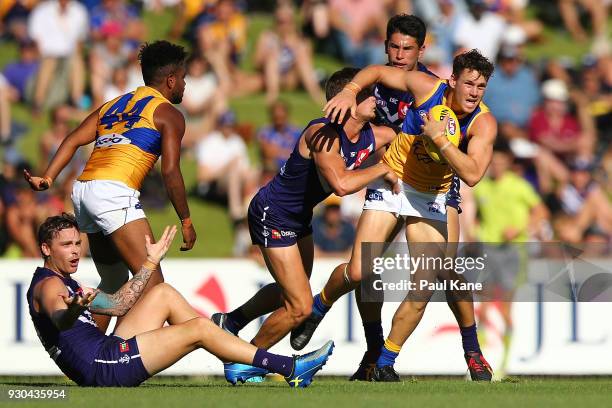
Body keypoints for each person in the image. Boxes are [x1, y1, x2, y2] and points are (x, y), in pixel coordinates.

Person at [319, 48, 497, 381]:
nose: (474, 92)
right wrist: (348, 91)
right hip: (395, 178)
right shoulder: (426, 87)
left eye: (481, 86)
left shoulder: (483, 122)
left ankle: (445, 353)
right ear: (452, 81)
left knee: (437, 276)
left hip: (434, 193)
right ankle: (324, 312)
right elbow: (375, 71)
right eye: (469, 84)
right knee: (360, 271)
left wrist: (441, 141)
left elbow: (472, 175)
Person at [214, 67, 400, 382]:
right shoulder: (322, 134)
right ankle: (245, 360)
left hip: (298, 218)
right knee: (300, 307)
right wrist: (384, 167)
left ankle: (230, 321)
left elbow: (407, 136)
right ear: (348, 100)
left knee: (294, 291)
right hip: (272, 213)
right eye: (370, 93)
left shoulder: (375, 134)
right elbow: (340, 185)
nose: (377, 99)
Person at [27, 213, 333, 387]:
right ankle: (289, 368)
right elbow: (59, 318)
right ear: (45, 249)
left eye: (77, 244)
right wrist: (73, 312)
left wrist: (148, 264)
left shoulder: (66, 281)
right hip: (102, 367)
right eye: (66, 245)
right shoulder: (49, 287)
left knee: (163, 293)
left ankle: (237, 361)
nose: (75, 251)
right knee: (199, 329)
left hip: (104, 353)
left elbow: (119, 305)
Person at [24, 41, 197, 332]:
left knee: (115, 281)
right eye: (182, 78)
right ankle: (116, 357)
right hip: (114, 193)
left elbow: (73, 138)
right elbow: (170, 171)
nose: (184, 84)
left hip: (83, 191)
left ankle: (90, 349)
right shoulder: (169, 114)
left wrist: (49, 178)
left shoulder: (114, 104)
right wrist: (186, 219)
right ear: (170, 80)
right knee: (154, 289)